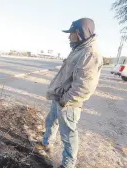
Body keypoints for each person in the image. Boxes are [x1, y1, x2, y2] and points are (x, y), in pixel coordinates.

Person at [41, 18, 103, 168]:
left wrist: (65, 100)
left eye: (71, 33)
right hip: (60, 98)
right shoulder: (79, 49)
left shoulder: (90, 54)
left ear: (80, 33)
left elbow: (84, 86)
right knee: (51, 122)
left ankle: (68, 164)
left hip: (69, 103)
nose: (69, 36)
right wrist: (58, 97)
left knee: (68, 135)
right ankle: (46, 143)